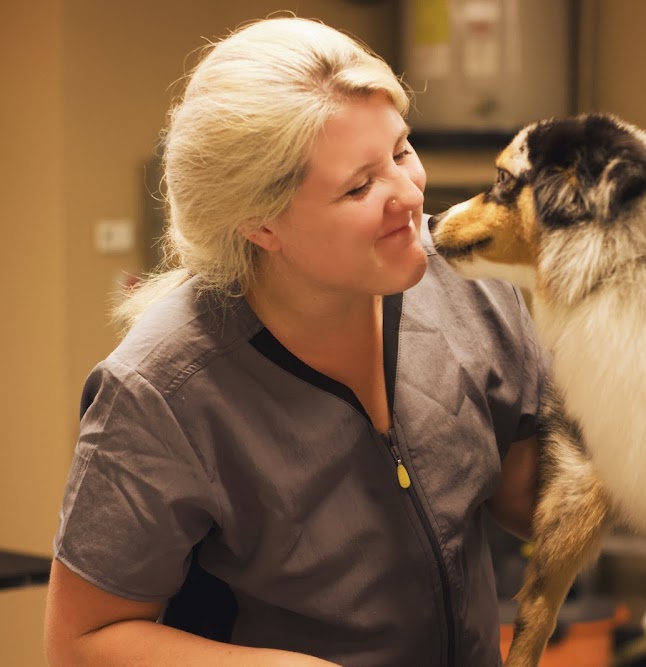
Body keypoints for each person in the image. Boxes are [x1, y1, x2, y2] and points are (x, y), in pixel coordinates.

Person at [44, 17, 544, 666]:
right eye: (359, 186)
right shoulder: (161, 392)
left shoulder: (469, 284)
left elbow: (528, 499)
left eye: (401, 151)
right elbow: (78, 642)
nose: (408, 196)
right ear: (262, 224)